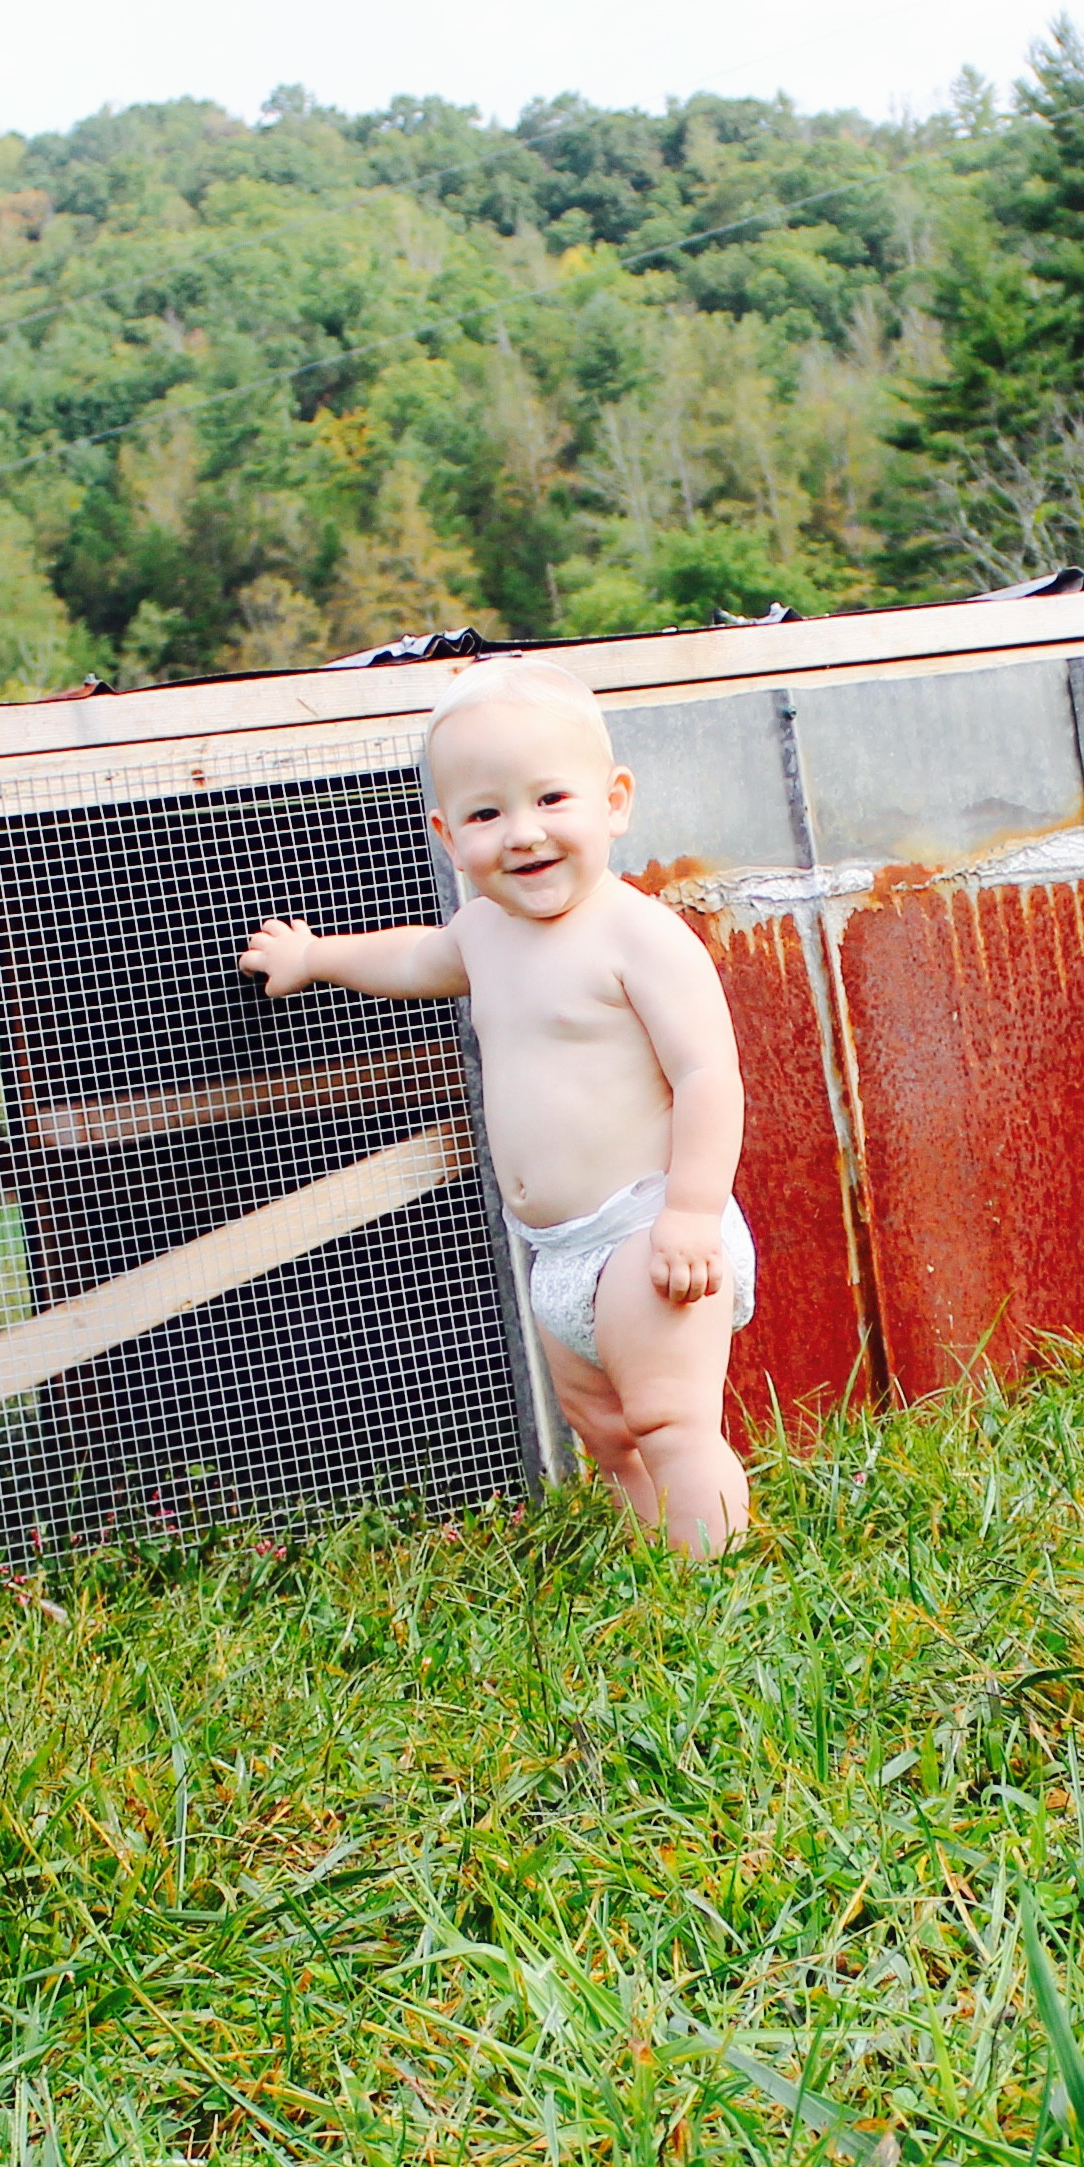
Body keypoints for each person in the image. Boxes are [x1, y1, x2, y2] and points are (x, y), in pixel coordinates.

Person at [238, 661, 756, 1558]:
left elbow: (710, 1075)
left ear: (614, 801)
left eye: (551, 799)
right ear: (447, 835)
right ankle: (657, 1555)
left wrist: (692, 1211)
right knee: (606, 1433)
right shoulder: (481, 933)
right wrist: (318, 956)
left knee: (671, 1420)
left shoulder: (635, 933)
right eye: (486, 815)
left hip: (647, 1227)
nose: (522, 834)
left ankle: (714, 1581)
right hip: (556, 1254)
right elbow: (410, 961)